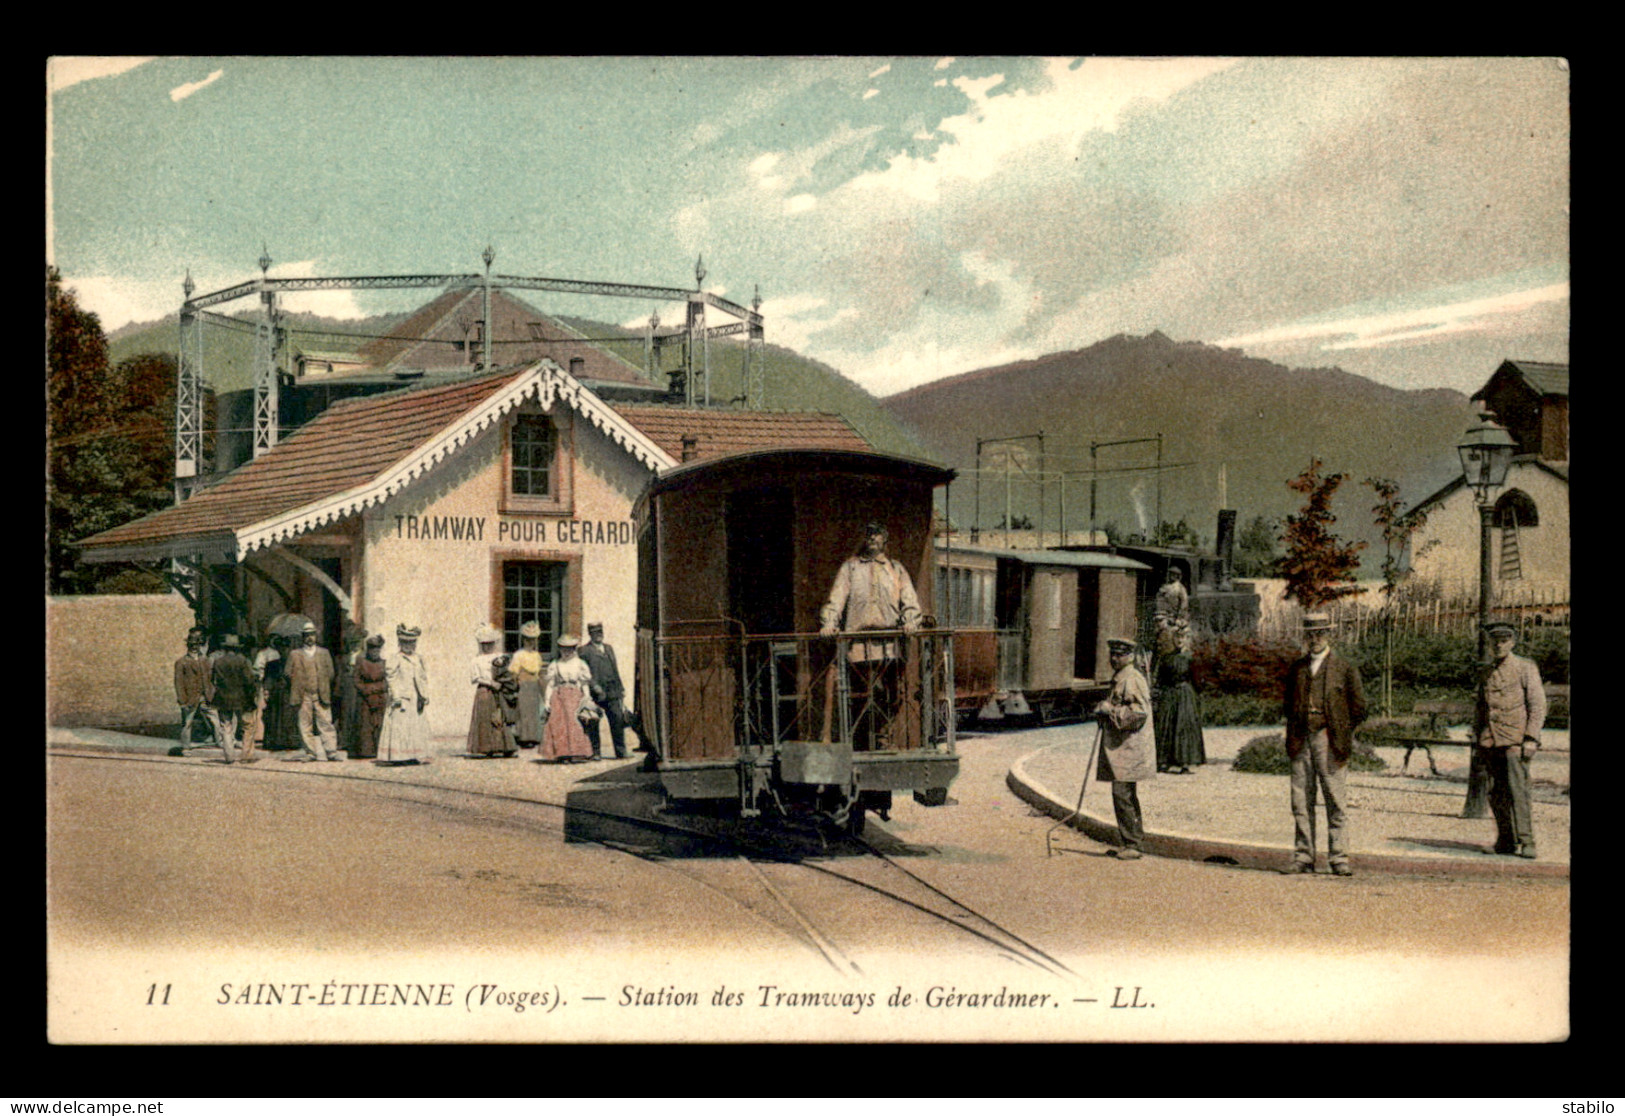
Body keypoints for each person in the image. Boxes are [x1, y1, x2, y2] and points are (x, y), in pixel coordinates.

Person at [818, 522, 922, 748]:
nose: (872, 538)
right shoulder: (851, 568)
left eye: (877, 535)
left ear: (885, 540)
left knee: (891, 694)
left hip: (889, 645)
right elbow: (836, 599)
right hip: (857, 645)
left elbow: (910, 601)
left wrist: (911, 621)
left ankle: (884, 735)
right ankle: (859, 741)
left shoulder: (896, 569)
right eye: (869, 535)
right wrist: (829, 623)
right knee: (857, 695)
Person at [1282, 612, 1367, 876]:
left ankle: (1339, 857)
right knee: (1301, 801)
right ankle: (1304, 856)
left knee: (1335, 800)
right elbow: (1287, 703)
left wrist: (1340, 730)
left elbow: (1360, 707)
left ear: (1329, 634)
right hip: (1300, 739)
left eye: (1320, 633)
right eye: (1310, 634)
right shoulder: (1297, 669)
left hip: (1329, 740)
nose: (1315, 639)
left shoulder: (1344, 668)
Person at [1473, 622, 1547, 859]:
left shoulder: (1525, 668)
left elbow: (1537, 705)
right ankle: (1505, 840)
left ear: (1513, 642)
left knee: (1518, 791)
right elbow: (1481, 708)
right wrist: (1477, 737)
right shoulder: (1486, 672)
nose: (1498, 645)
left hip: (1516, 740)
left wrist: (1531, 738)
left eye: (1504, 640)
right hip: (1490, 740)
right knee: (1495, 792)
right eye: (1494, 641)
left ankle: (1527, 841)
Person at [1095, 636, 1157, 860]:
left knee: (1122, 794)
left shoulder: (1132, 678)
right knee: (1125, 794)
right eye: (1112, 654)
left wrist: (1109, 711)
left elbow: (1139, 713)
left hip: (1131, 747)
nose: (1114, 659)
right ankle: (1131, 842)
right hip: (1123, 747)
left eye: (1119, 655)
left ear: (1130, 656)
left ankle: (1133, 844)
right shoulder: (1122, 677)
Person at [286, 620, 342, 762]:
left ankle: (331, 751)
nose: (310, 638)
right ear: (303, 637)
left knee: (326, 723)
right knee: (305, 724)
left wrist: (322, 686)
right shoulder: (294, 654)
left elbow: (331, 673)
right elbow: (287, 673)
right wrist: (298, 685)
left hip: (320, 694)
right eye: (307, 635)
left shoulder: (324, 653)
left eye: (312, 635)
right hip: (303, 695)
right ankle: (310, 752)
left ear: (316, 636)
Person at [1153, 629, 1206, 774]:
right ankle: (1164, 762)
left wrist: (1195, 695)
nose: (1179, 641)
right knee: (1166, 725)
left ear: (1186, 640)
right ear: (1173, 640)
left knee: (1183, 727)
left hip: (1185, 695)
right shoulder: (1166, 658)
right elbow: (1160, 679)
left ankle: (1185, 763)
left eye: (1182, 638)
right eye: (1177, 638)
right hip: (1169, 694)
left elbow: (1197, 680)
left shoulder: (1191, 658)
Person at [378, 623, 431, 765]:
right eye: (406, 642)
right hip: (401, 697)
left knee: (414, 726)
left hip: (415, 697)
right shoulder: (396, 658)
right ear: (400, 643)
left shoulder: (418, 658)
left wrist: (424, 695)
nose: (409, 645)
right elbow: (391, 677)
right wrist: (395, 696)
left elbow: (422, 677)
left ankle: (414, 754)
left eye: (412, 642)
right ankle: (398, 756)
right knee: (400, 727)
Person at [540, 635, 597, 763]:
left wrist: (587, 697)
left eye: (569, 649)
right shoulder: (556, 664)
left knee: (574, 722)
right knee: (558, 723)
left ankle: (577, 752)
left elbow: (584, 683)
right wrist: (547, 701)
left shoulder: (580, 664)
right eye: (563, 649)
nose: (566, 652)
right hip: (559, 695)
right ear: (559, 649)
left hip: (574, 695)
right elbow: (550, 684)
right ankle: (562, 753)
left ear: (574, 649)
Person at [579, 621, 630, 760]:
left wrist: (620, 688)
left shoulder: (608, 648)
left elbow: (615, 669)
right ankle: (595, 752)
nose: (598, 635)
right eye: (595, 633)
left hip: (612, 690)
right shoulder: (584, 651)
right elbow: (584, 672)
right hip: (596, 692)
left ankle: (621, 751)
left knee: (617, 720)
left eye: (600, 632)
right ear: (590, 634)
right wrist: (594, 685)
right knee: (593, 721)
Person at [207, 634, 258, 764]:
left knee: (226, 726)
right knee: (247, 725)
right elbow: (249, 680)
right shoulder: (243, 661)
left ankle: (229, 756)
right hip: (242, 698)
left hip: (223, 697)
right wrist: (253, 695)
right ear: (237, 649)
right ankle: (246, 755)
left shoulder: (218, 661)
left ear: (225, 648)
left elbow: (213, 680)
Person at [467, 624, 514, 757]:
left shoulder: (499, 656)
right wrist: (491, 683)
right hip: (484, 691)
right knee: (484, 718)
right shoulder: (476, 660)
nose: (487, 647)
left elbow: (505, 671)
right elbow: (475, 678)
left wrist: (502, 681)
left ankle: (503, 746)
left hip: (498, 691)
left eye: (490, 644)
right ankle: (485, 747)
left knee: (499, 717)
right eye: (484, 644)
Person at [173, 628, 214, 749]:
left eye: (197, 644)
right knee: (187, 723)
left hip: (205, 696)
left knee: (215, 720)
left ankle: (220, 741)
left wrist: (211, 693)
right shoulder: (181, 662)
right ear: (188, 646)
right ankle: (185, 746)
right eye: (192, 645)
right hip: (190, 697)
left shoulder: (204, 660)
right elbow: (178, 683)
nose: (195, 647)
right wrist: (182, 700)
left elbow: (209, 678)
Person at [510, 621, 547, 750]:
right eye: (528, 640)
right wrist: (515, 686)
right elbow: (514, 672)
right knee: (524, 711)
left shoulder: (537, 655)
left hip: (534, 685)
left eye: (533, 640)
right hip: (523, 684)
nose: (531, 643)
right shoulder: (518, 655)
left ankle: (534, 736)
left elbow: (539, 672)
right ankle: (523, 737)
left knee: (534, 711)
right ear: (523, 640)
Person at [352, 635, 389, 759]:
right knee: (366, 725)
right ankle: (366, 751)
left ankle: (380, 749)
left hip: (380, 698)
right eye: (372, 650)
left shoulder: (384, 663)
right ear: (368, 650)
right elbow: (356, 680)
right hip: (365, 699)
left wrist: (377, 689)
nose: (375, 652)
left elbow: (387, 681)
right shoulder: (361, 662)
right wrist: (367, 690)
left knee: (379, 723)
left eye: (377, 650)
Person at [491, 654, 521, 753]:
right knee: (501, 722)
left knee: (506, 722)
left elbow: (514, 687)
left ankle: (509, 746)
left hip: (507, 700)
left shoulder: (509, 676)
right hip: (502, 700)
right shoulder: (500, 677)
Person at [1154, 567, 1190, 641]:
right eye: (1170, 574)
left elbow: (1184, 604)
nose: (1170, 576)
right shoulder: (1164, 586)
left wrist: (1179, 618)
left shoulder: (1180, 588)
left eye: (1173, 574)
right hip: (1160, 614)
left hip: (1172, 616)